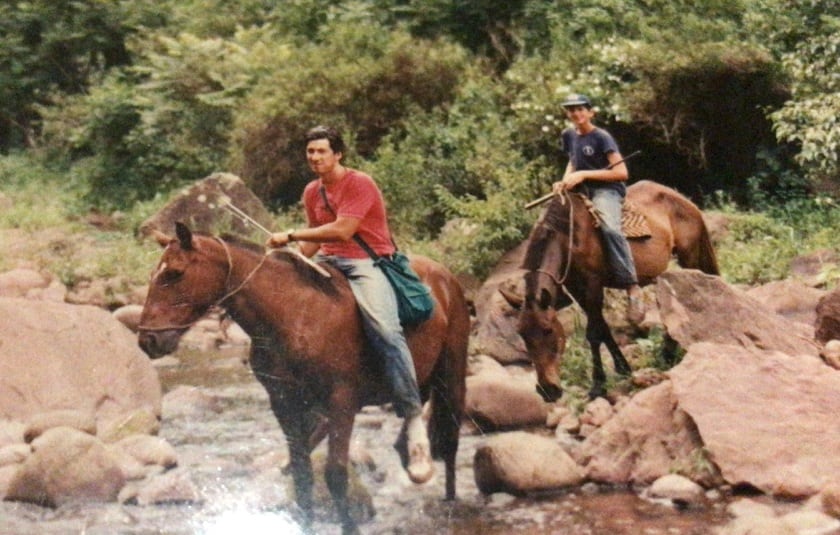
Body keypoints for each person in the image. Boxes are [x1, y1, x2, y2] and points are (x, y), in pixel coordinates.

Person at [266, 125, 434, 484]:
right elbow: (315, 239)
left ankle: (413, 418)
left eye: (321, 151)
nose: (315, 158)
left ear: (338, 154)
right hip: (329, 261)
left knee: (386, 329)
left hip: (366, 263)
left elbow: (342, 230)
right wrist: (288, 255)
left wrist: (291, 234)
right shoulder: (312, 191)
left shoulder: (360, 184)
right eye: (310, 152)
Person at [552, 94, 644, 323]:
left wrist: (584, 174)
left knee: (610, 228)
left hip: (606, 190)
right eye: (571, 110)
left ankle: (631, 285)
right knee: (552, 223)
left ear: (590, 112)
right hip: (581, 189)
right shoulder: (568, 135)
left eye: (580, 109)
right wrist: (565, 180)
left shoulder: (602, 137)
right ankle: (557, 288)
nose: (576, 114)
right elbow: (572, 160)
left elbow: (621, 172)